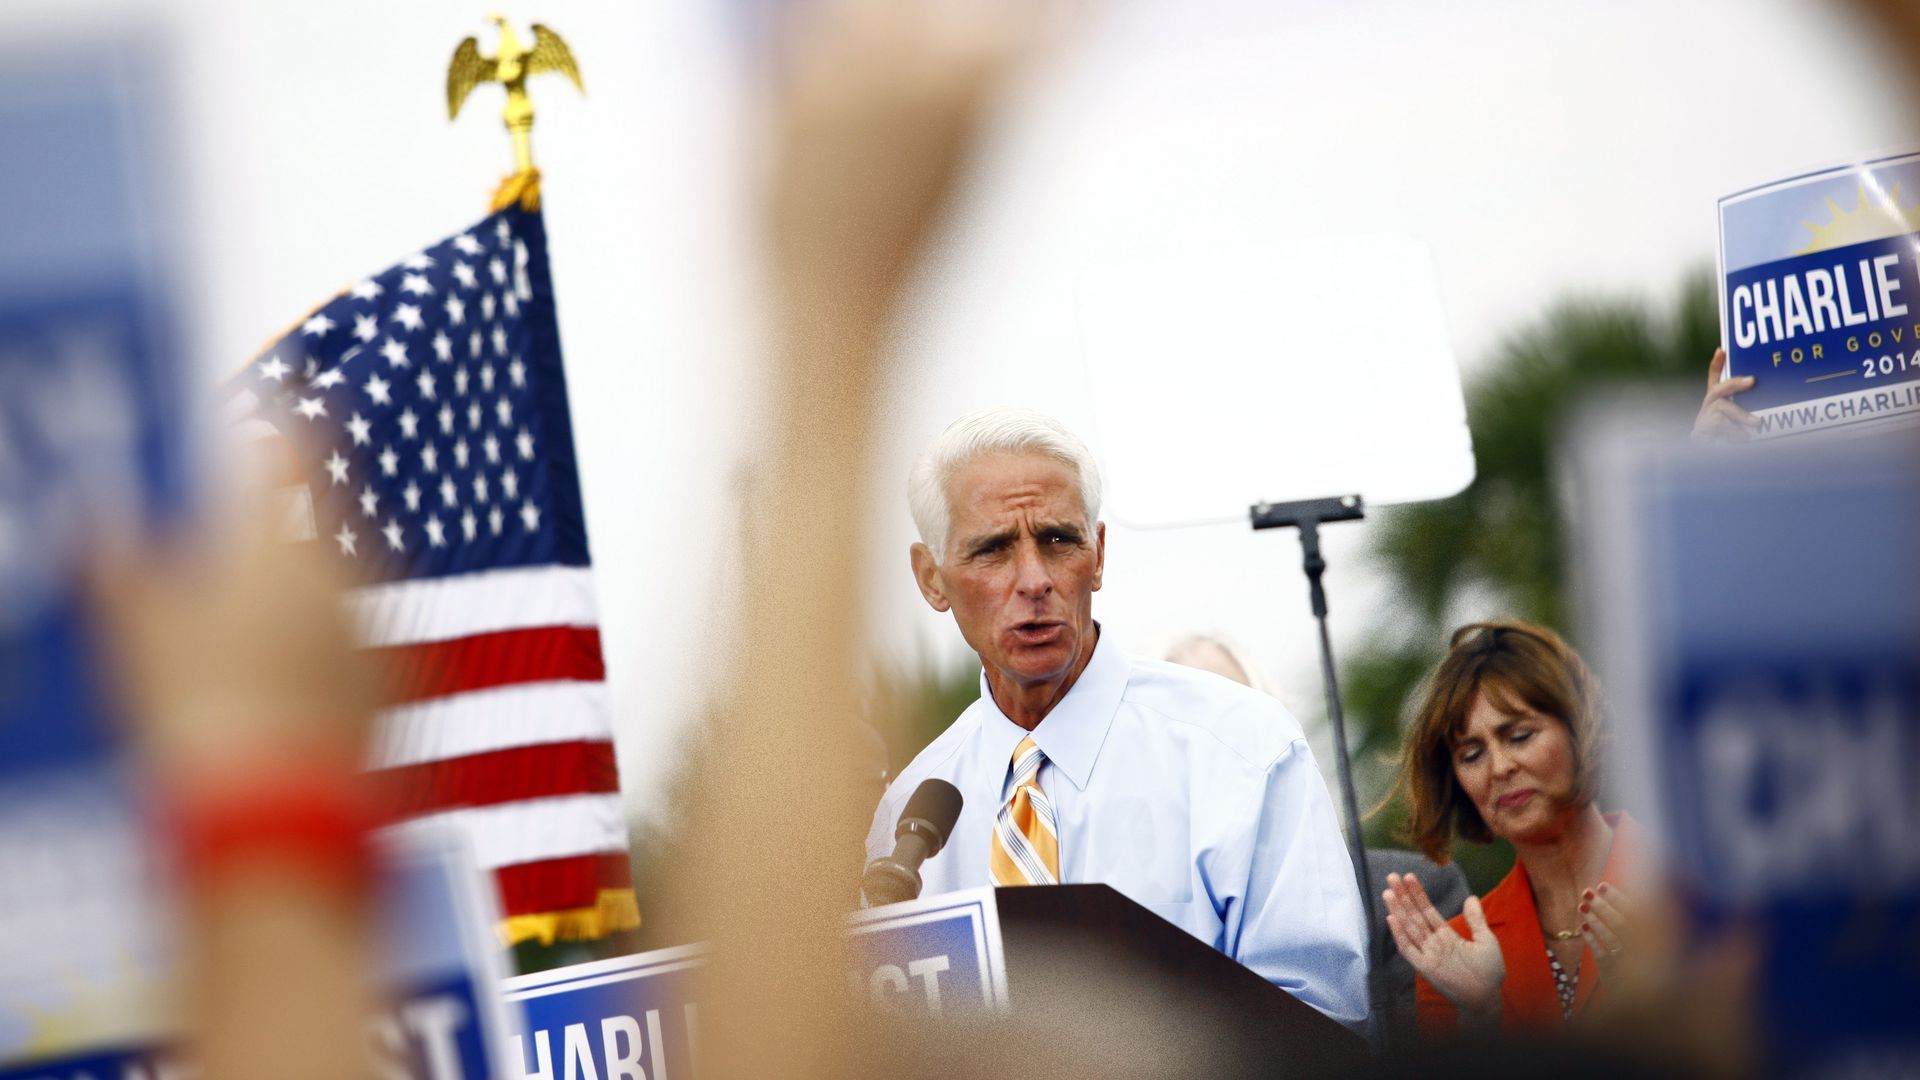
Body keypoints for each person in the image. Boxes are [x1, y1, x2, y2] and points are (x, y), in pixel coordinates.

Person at [865, 407, 1370, 1028]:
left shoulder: (1243, 749)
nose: (1033, 580)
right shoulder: (908, 816)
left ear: (1098, 554)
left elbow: (1323, 1022)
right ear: (931, 578)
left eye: (1057, 540)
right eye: (993, 549)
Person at [1378, 620, 1645, 1036]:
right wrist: (1482, 1017)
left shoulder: (1689, 886)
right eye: (1471, 755)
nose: (1500, 767)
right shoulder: (1457, 949)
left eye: (1520, 735)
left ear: (1580, 728)